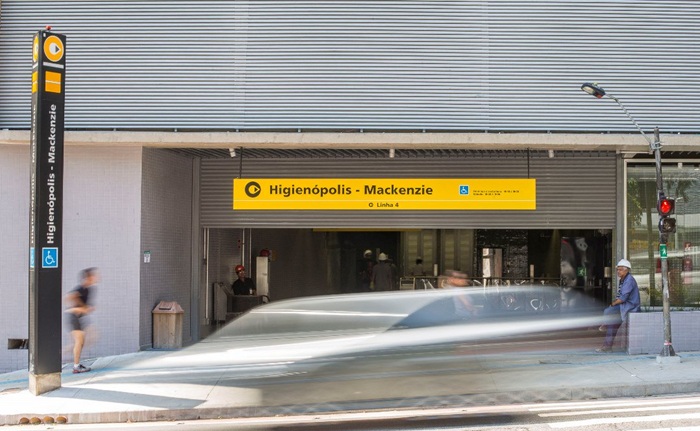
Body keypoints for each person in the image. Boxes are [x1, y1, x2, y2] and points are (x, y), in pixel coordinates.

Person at [596, 258, 640, 353]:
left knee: (607, 311)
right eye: (617, 270)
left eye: (620, 270)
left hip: (629, 307)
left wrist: (613, 303)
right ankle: (607, 347)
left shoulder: (629, 280)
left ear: (626, 270)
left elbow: (623, 298)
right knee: (612, 325)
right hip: (623, 306)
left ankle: (604, 324)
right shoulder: (623, 280)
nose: (618, 272)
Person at [65, 267, 99, 374]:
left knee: (82, 341)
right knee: (79, 342)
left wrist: (86, 308)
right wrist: (83, 307)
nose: (96, 277)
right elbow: (70, 297)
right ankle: (76, 366)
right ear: (88, 277)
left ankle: (74, 362)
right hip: (74, 317)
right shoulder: (82, 288)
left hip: (78, 318)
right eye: (94, 275)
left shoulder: (88, 289)